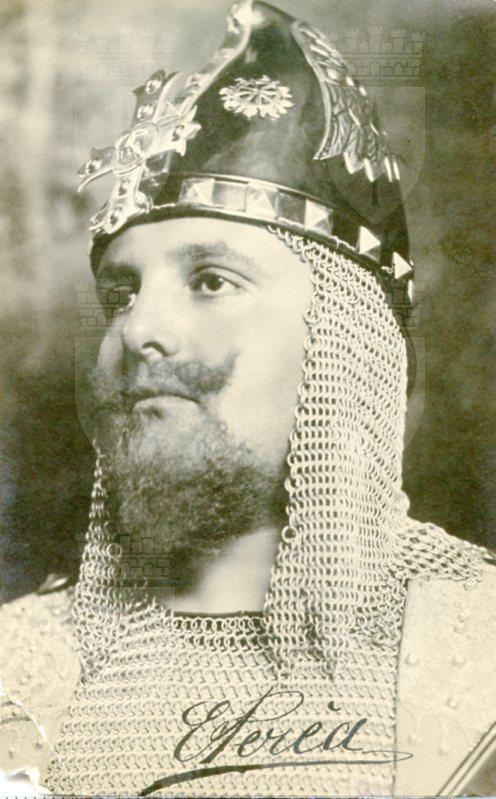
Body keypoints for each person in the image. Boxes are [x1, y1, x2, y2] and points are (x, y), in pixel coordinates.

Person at [1, 1, 494, 796]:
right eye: (122, 293)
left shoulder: (474, 658)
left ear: (344, 342)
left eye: (210, 280)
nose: (139, 329)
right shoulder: (20, 669)